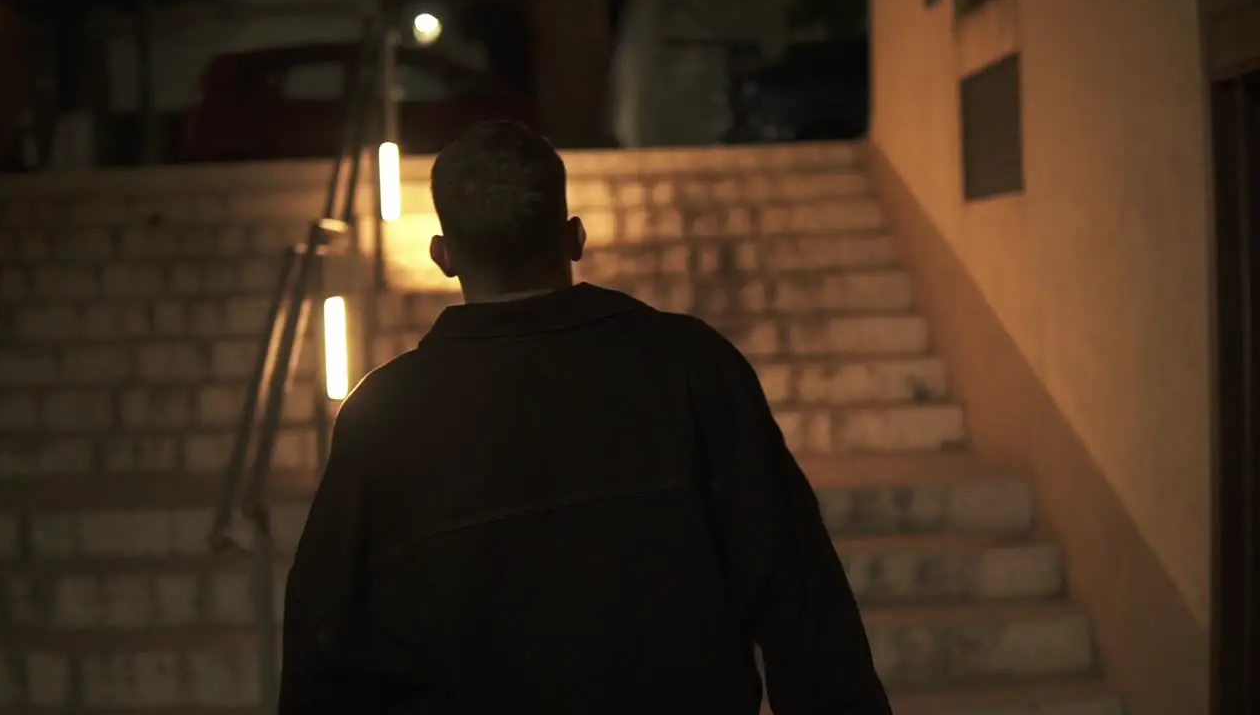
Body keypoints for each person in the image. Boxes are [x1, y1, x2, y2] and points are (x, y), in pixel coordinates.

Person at [278, 121, 892, 714]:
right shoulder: (690, 366)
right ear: (574, 237)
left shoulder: (383, 415)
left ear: (443, 256)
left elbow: (327, 653)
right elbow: (801, 601)